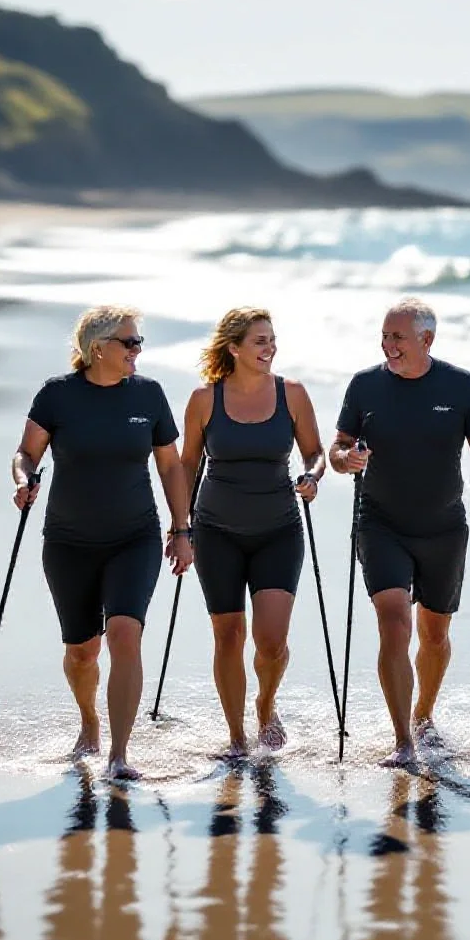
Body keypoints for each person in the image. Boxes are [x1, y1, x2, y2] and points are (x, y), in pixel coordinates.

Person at [12, 305, 192, 781]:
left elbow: (171, 466)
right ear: (98, 348)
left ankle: (119, 753)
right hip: (69, 543)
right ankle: (89, 721)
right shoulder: (57, 395)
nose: (137, 351)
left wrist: (182, 529)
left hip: (134, 537)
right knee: (82, 652)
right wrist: (23, 480)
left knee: (125, 634)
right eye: (128, 343)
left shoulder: (149, 396)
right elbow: (27, 454)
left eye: (139, 343)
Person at [330, 297, 470, 767]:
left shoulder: (460, 385)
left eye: (397, 337)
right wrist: (346, 461)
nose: (388, 345)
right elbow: (338, 449)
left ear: (427, 339)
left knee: (435, 635)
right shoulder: (365, 386)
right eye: (384, 336)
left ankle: (424, 715)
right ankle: (403, 739)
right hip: (381, 523)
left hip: (444, 528)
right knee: (393, 624)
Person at [181, 307, 325, 759]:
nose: (270, 348)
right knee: (227, 634)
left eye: (272, 340)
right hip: (216, 531)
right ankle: (237, 736)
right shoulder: (204, 400)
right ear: (234, 348)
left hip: (278, 530)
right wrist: (179, 525)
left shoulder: (293, 394)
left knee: (272, 642)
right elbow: (187, 464)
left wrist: (312, 476)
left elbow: (315, 452)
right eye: (260, 341)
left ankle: (265, 705)